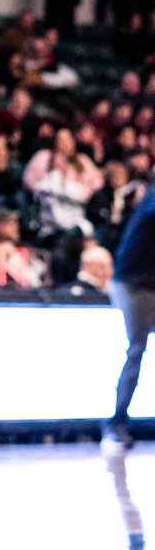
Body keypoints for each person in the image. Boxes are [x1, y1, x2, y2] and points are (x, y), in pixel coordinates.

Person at [105, 187, 155, 449]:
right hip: (132, 285)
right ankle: (117, 421)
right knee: (136, 348)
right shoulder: (151, 199)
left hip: (149, 285)